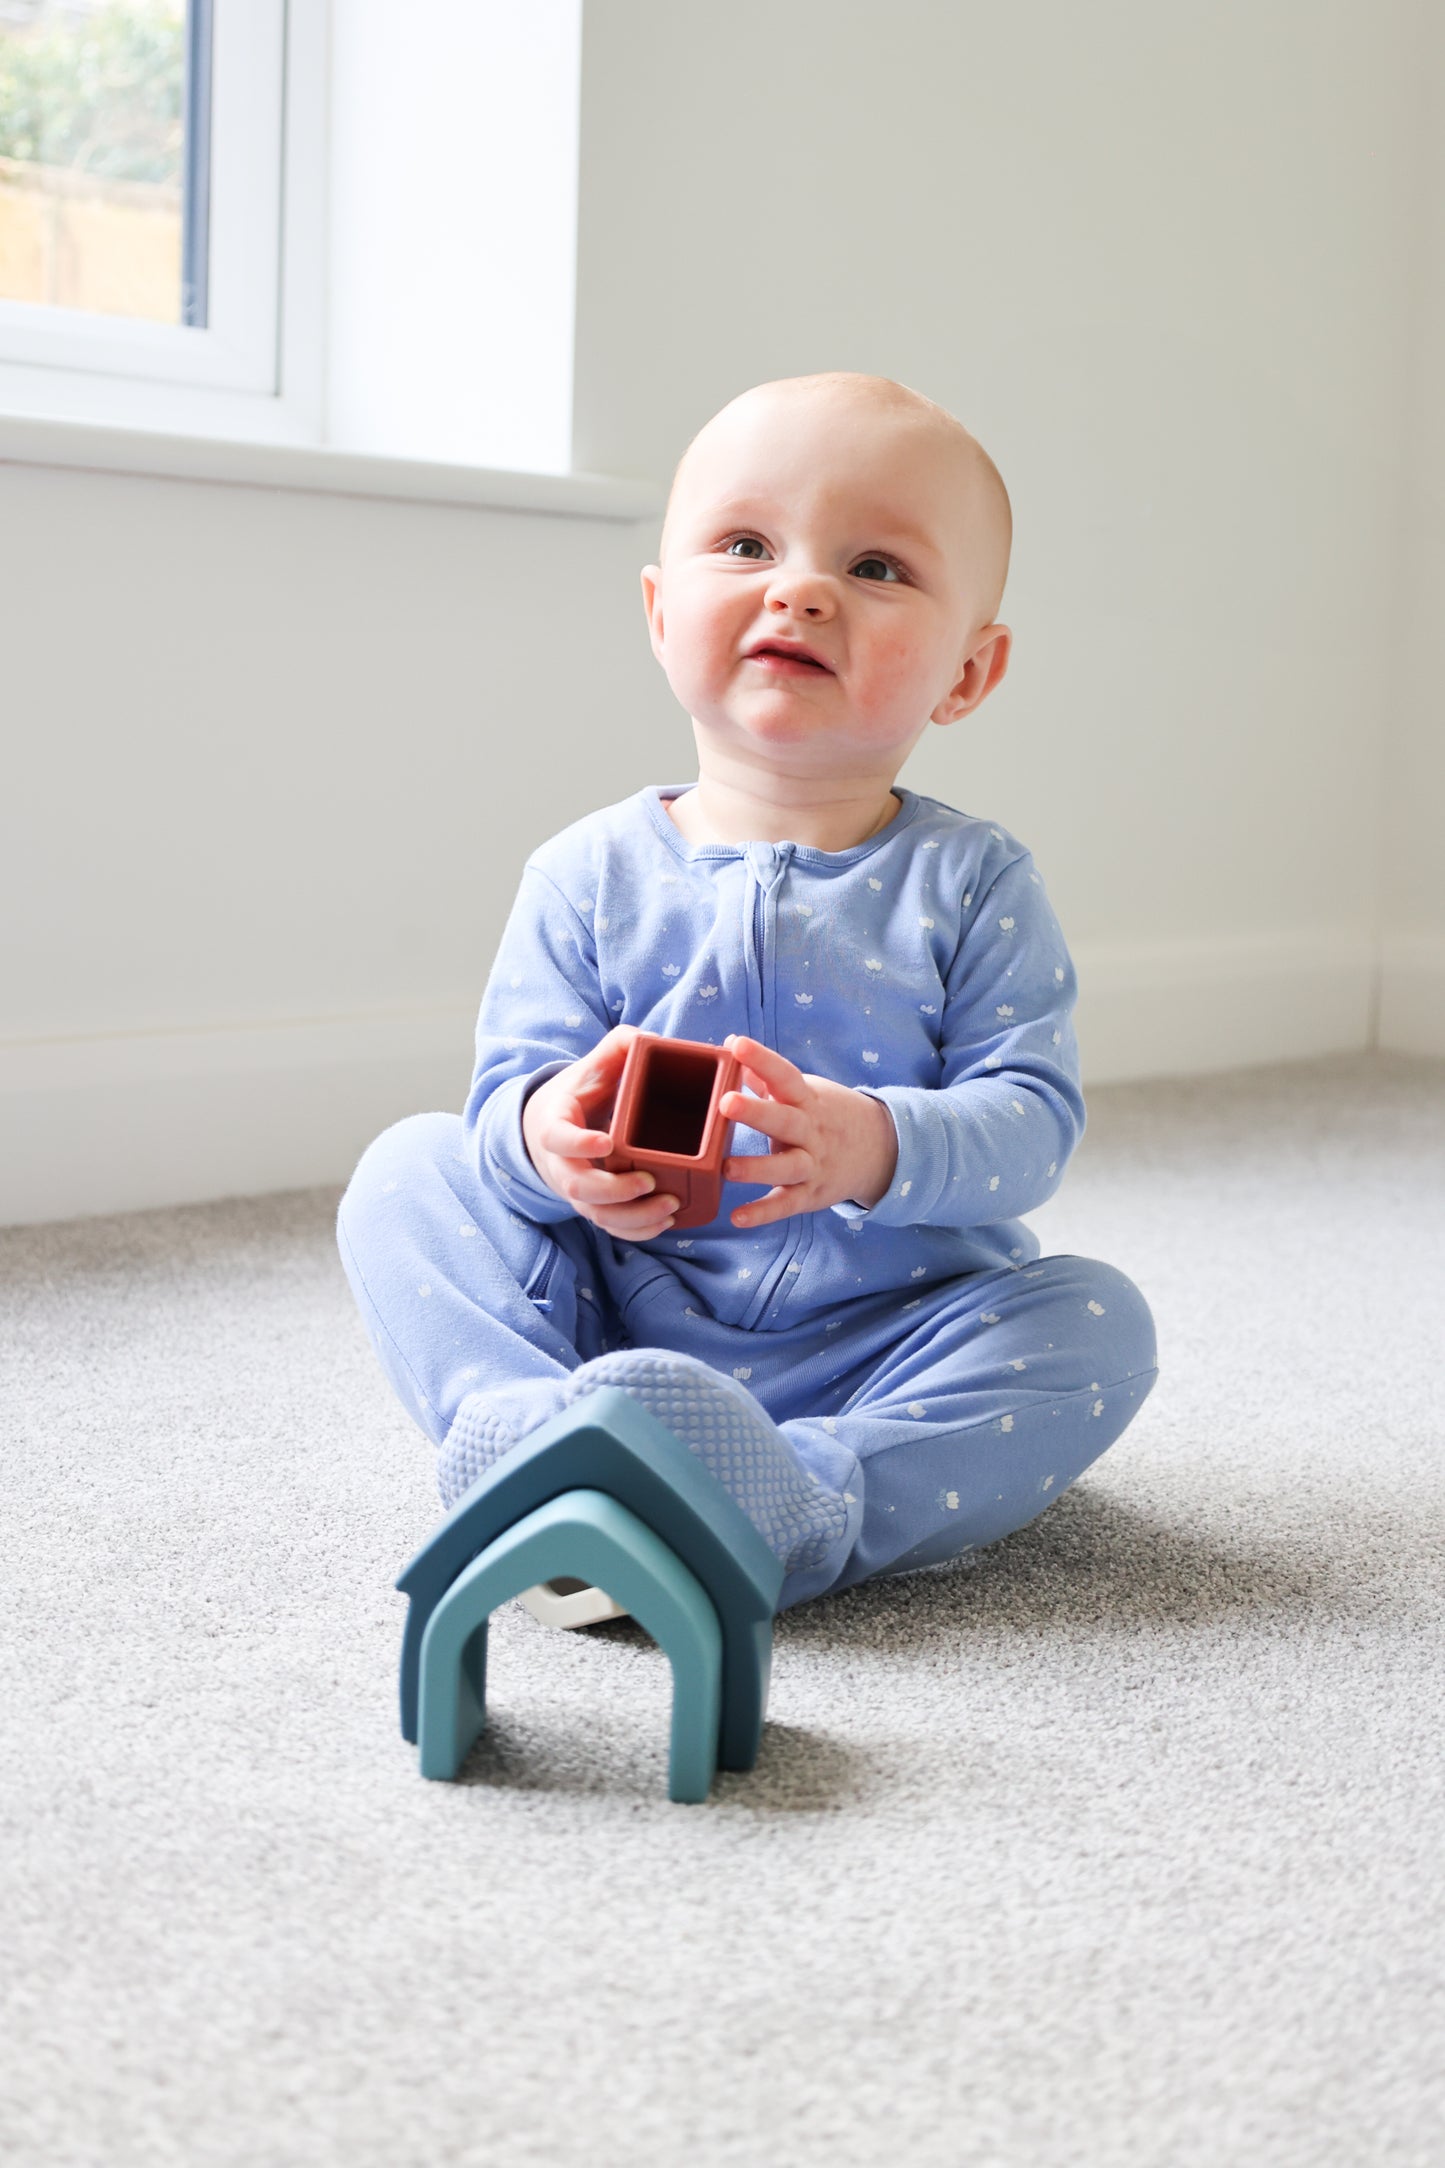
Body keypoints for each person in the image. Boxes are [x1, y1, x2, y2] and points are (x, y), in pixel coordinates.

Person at [337, 372, 1157, 1611]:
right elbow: (502, 1108)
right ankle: (526, 1439)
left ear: (967, 673)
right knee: (408, 1170)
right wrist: (546, 1137)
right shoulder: (586, 873)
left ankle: (799, 1500)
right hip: (616, 1323)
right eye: (744, 544)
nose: (802, 587)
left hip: (882, 1335)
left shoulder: (972, 881)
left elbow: (1029, 1126)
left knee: (1096, 1321)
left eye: (877, 566)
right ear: (662, 613)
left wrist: (869, 1142)